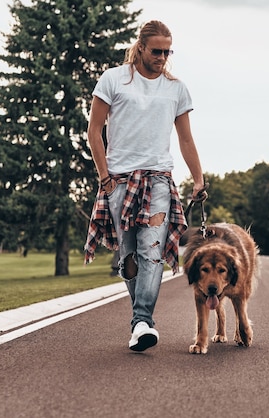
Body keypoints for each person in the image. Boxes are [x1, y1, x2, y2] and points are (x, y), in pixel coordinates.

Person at [84, 20, 206, 352]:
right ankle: (140, 321)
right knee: (129, 257)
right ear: (141, 48)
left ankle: (142, 322)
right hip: (119, 180)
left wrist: (198, 179)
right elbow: (94, 132)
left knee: (151, 251)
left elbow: (185, 138)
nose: (163, 57)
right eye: (157, 51)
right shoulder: (113, 80)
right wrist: (104, 178)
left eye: (168, 52)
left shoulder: (176, 89)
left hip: (158, 181)